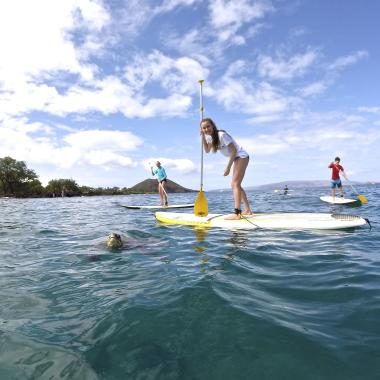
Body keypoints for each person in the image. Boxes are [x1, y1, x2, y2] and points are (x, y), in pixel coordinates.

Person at [200, 118, 253, 220]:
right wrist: (203, 136)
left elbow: (233, 151)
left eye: (208, 126)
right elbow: (207, 150)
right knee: (237, 185)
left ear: (213, 126)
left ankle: (237, 213)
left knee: (234, 184)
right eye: (204, 128)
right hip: (236, 159)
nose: (206, 129)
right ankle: (248, 210)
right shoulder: (210, 138)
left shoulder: (221, 135)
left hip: (241, 156)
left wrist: (228, 168)